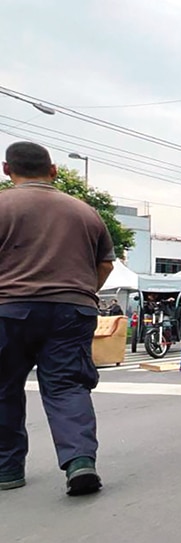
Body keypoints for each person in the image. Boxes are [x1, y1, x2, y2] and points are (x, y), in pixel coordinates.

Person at [0, 141, 115, 495]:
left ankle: (7, 471)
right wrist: (83, 291)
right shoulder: (84, 211)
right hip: (71, 309)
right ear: (53, 171)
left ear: (7, 169)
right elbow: (106, 263)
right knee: (67, 386)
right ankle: (79, 462)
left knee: (3, 389)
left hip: (9, 309)